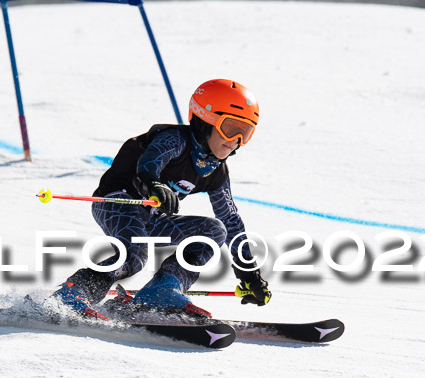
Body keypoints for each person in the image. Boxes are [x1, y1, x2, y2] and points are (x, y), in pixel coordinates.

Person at [45, 79, 271, 320]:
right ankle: (73, 293)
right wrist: (153, 183)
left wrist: (248, 274)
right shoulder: (175, 139)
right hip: (118, 202)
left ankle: (162, 290)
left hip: (152, 218)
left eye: (245, 133)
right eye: (230, 128)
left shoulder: (216, 171)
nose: (235, 139)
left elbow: (231, 219)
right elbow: (149, 163)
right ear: (205, 120)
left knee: (215, 230)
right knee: (134, 256)